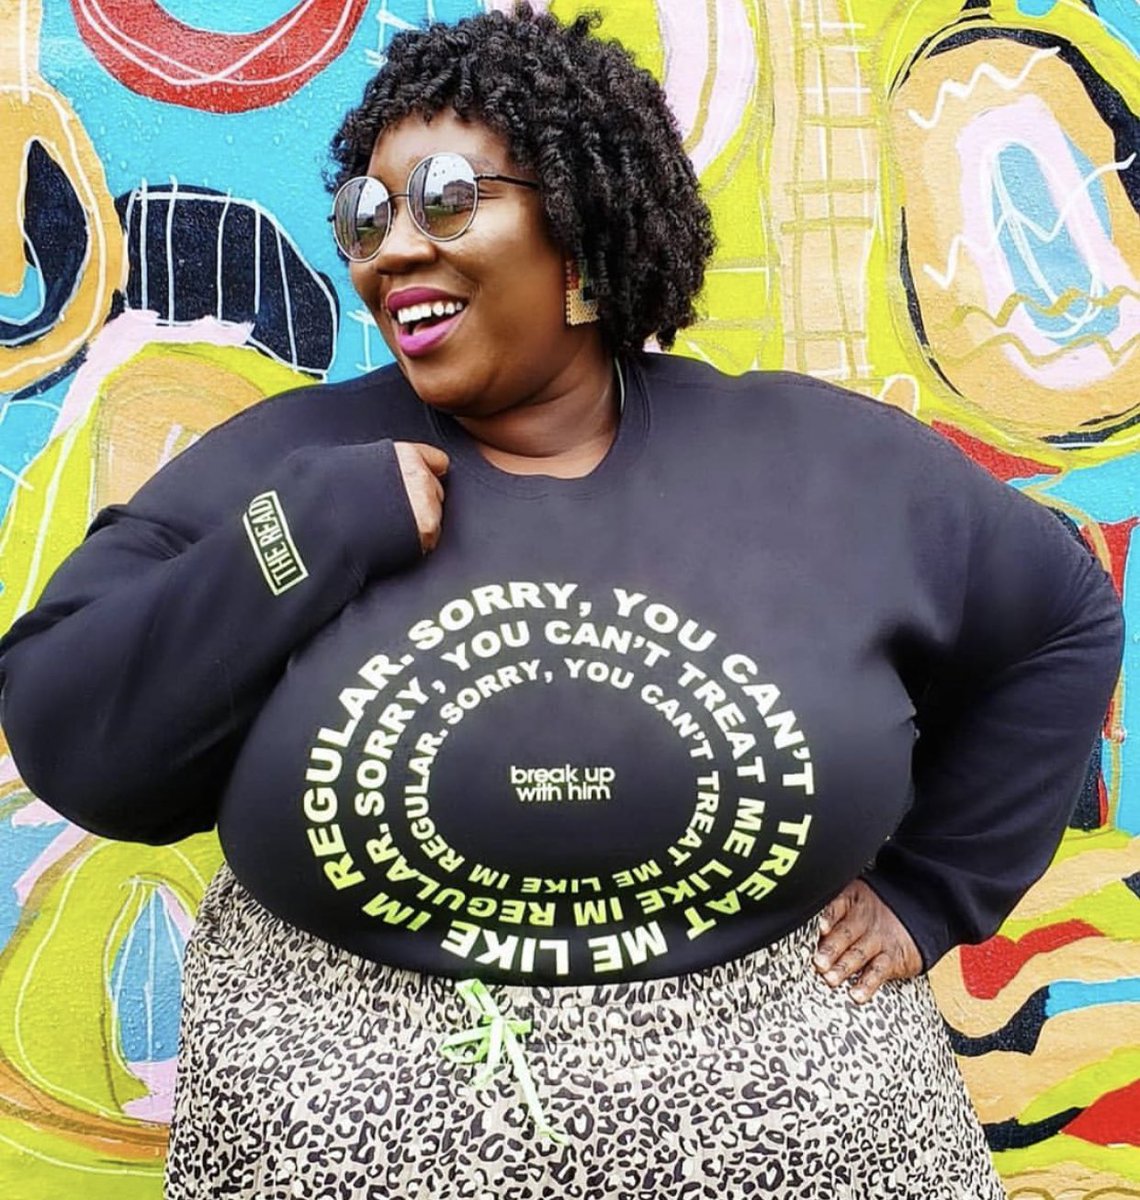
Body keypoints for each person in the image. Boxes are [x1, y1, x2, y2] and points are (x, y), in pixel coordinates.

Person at [0, 6, 1123, 1197]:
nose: (392, 248)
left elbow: (1061, 621)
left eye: (445, 199)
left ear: (583, 234)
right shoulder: (284, 464)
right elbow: (71, 727)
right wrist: (308, 537)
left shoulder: (826, 464)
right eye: (367, 216)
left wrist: (931, 892)